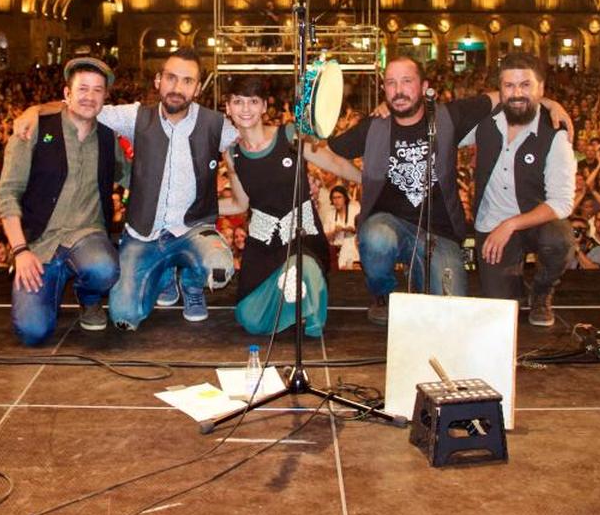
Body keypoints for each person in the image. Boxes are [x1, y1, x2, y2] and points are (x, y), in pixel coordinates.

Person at [329, 56, 572, 324]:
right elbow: (332, 151)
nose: (398, 90)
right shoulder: (377, 125)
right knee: (376, 238)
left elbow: (508, 95)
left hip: (440, 233)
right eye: (391, 83)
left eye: (407, 82)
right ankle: (384, 296)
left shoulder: (450, 117)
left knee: (451, 312)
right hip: (397, 224)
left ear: (424, 87)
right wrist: (361, 175)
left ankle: (536, 292)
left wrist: (548, 103)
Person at [16, 48, 237, 331]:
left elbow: (251, 139)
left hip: (191, 230)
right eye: (171, 78)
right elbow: (84, 106)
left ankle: (191, 283)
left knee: (219, 265)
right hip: (144, 234)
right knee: (123, 316)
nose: (177, 88)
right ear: (158, 80)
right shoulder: (134, 116)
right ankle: (163, 273)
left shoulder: (216, 124)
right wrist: (34, 110)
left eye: (187, 81)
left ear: (197, 87)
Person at [218, 77, 361, 337]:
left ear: (264, 106)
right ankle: (291, 306)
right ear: (228, 107)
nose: (246, 108)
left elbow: (336, 164)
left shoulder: (290, 135)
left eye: (253, 101)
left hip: (302, 234)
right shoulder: (231, 154)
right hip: (263, 242)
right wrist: (200, 207)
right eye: (238, 102)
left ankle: (307, 303)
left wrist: (374, 182)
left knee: (299, 272)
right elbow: (241, 203)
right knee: (250, 319)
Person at [0, 57, 121, 344]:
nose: (89, 97)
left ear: (105, 97)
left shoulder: (107, 137)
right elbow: (7, 192)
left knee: (103, 269)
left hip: (86, 235)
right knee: (33, 333)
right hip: (39, 243)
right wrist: (20, 251)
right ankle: (50, 285)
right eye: (83, 89)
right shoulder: (33, 129)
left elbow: (125, 174)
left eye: (97, 90)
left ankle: (88, 296)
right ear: (67, 94)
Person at [470, 52, 576, 327]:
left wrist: (511, 224)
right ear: (499, 90)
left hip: (533, 220)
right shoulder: (483, 121)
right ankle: (513, 281)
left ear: (541, 88)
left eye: (526, 85)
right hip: (490, 222)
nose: (517, 93)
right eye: (509, 86)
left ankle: (542, 291)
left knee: (559, 239)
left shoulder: (555, 134)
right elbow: (439, 124)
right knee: (500, 308)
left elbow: (562, 202)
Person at [321, 185, 360, 270]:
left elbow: (363, 230)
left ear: (345, 198)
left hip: (352, 250)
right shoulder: (329, 214)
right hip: (335, 251)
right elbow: (324, 237)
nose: (336, 201)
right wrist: (334, 231)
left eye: (339, 197)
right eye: (334, 198)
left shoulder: (355, 209)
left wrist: (351, 229)